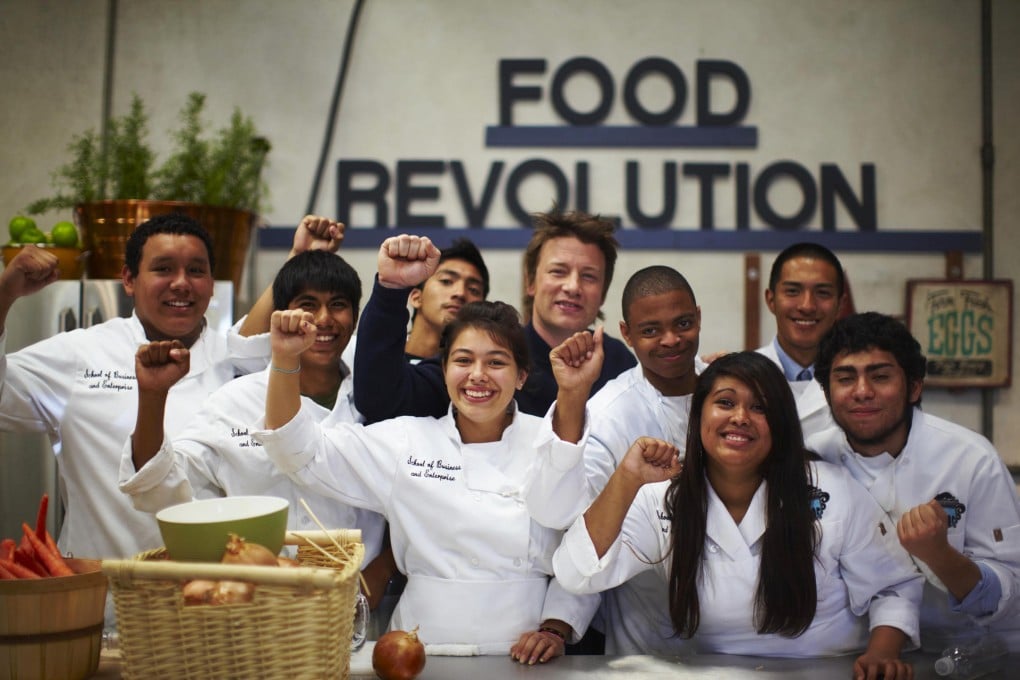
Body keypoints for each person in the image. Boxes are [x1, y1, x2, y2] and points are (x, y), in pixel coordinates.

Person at [253, 300, 603, 662]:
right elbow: (297, 452)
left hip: (524, 655)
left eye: (496, 362)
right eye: (463, 360)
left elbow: (589, 545)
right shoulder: (407, 441)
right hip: (415, 651)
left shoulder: (557, 440)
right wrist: (284, 358)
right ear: (444, 369)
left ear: (521, 376)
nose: (477, 375)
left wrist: (555, 626)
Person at [553, 351, 924, 678]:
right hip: (713, 670)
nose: (741, 418)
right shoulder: (666, 499)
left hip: (826, 667)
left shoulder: (831, 490)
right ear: (699, 415)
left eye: (760, 407)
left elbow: (892, 587)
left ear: (780, 423)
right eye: (725, 403)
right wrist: (626, 478)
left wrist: (882, 653)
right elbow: (578, 573)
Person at [0, 212, 342, 563]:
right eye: (163, 269)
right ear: (129, 279)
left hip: (217, 598)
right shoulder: (81, 353)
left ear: (212, 283)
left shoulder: (239, 360)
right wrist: (4, 294)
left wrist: (299, 259)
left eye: (196, 270)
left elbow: (259, 339)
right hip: (103, 598)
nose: (182, 283)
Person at [117, 250, 391, 607]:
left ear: (355, 318)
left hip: (355, 603)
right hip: (252, 606)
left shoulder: (373, 400)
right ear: (279, 315)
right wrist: (152, 397)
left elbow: (407, 503)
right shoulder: (236, 401)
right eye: (307, 305)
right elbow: (160, 487)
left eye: (338, 305)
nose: (323, 320)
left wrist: (379, 575)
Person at [808, 312, 1020, 650]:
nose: (862, 392)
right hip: (855, 654)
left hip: (966, 652)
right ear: (826, 391)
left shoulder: (971, 460)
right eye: (845, 378)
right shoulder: (811, 458)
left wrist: (939, 555)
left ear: (914, 387)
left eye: (880, 376)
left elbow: (1012, 601)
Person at [528, 265, 707, 655]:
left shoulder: (729, 394)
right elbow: (571, 523)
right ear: (626, 334)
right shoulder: (610, 413)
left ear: (698, 316)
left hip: (745, 627)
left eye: (683, 323)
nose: (671, 340)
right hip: (646, 632)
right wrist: (556, 626)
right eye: (650, 331)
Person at [352, 208, 636, 422]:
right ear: (530, 281)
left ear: (603, 291)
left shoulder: (620, 364)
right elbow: (380, 400)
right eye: (558, 271)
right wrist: (392, 290)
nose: (572, 287)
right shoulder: (489, 350)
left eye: (588, 276)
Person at [757, 242, 847, 438]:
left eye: (822, 293)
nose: (807, 306)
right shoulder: (739, 375)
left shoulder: (860, 382)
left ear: (840, 304)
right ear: (771, 300)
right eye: (793, 291)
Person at [404, 237, 488, 362]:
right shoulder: (380, 358)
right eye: (446, 281)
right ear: (416, 297)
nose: (460, 293)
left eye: (473, 290)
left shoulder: (478, 376)